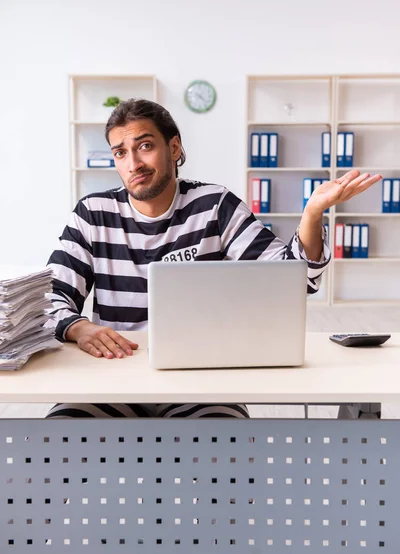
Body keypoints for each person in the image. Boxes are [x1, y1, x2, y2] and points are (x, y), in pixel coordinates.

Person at [45, 99, 381, 420]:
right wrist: (78, 326)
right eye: (121, 152)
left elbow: (295, 279)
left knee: (229, 454)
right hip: (113, 376)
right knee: (54, 442)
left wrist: (311, 213)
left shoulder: (214, 205)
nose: (133, 163)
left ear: (174, 148)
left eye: (145, 146)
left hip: (200, 379)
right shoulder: (92, 213)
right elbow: (49, 298)